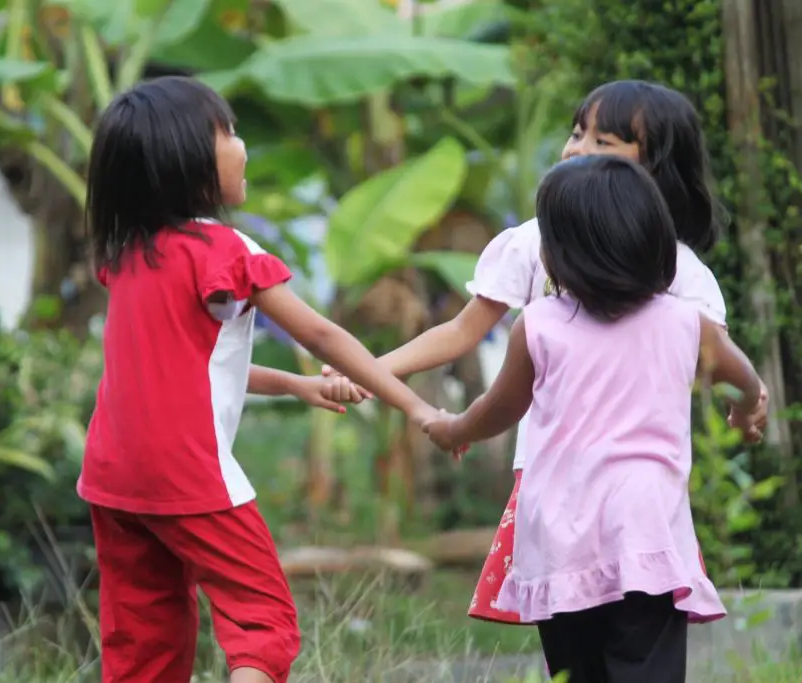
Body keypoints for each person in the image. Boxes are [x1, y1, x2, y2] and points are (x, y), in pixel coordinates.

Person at [322, 79, 768, 625]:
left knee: (633, 631)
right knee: (575, 638)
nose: (578, 149)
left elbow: (711, 360)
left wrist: (748, 397)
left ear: (656, 171)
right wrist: (371, 369)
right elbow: (462, 333)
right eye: (578, 133)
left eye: (605, 143)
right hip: (553, 482)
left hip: (639, 498)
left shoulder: (683, 278)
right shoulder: (534, 245)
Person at [77, 76, 441, 683]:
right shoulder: (224, 249)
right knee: (262, 622)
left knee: (144, 646)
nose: (242, 147)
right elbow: (322, 336)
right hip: (186, 474)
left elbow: (192, 371)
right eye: (229, 132)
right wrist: (415, 406)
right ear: (186, 158)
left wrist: (298, 387)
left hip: (114, 480)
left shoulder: (132, 257)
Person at [423, 155, 762, 683]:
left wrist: (455, 429)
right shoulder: (684, 321)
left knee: (578, 672)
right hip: (644, 532)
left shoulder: (538, 327)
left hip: (560, 541)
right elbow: (737, 370)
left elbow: (498, 409)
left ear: (560, 254)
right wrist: (748, 401)